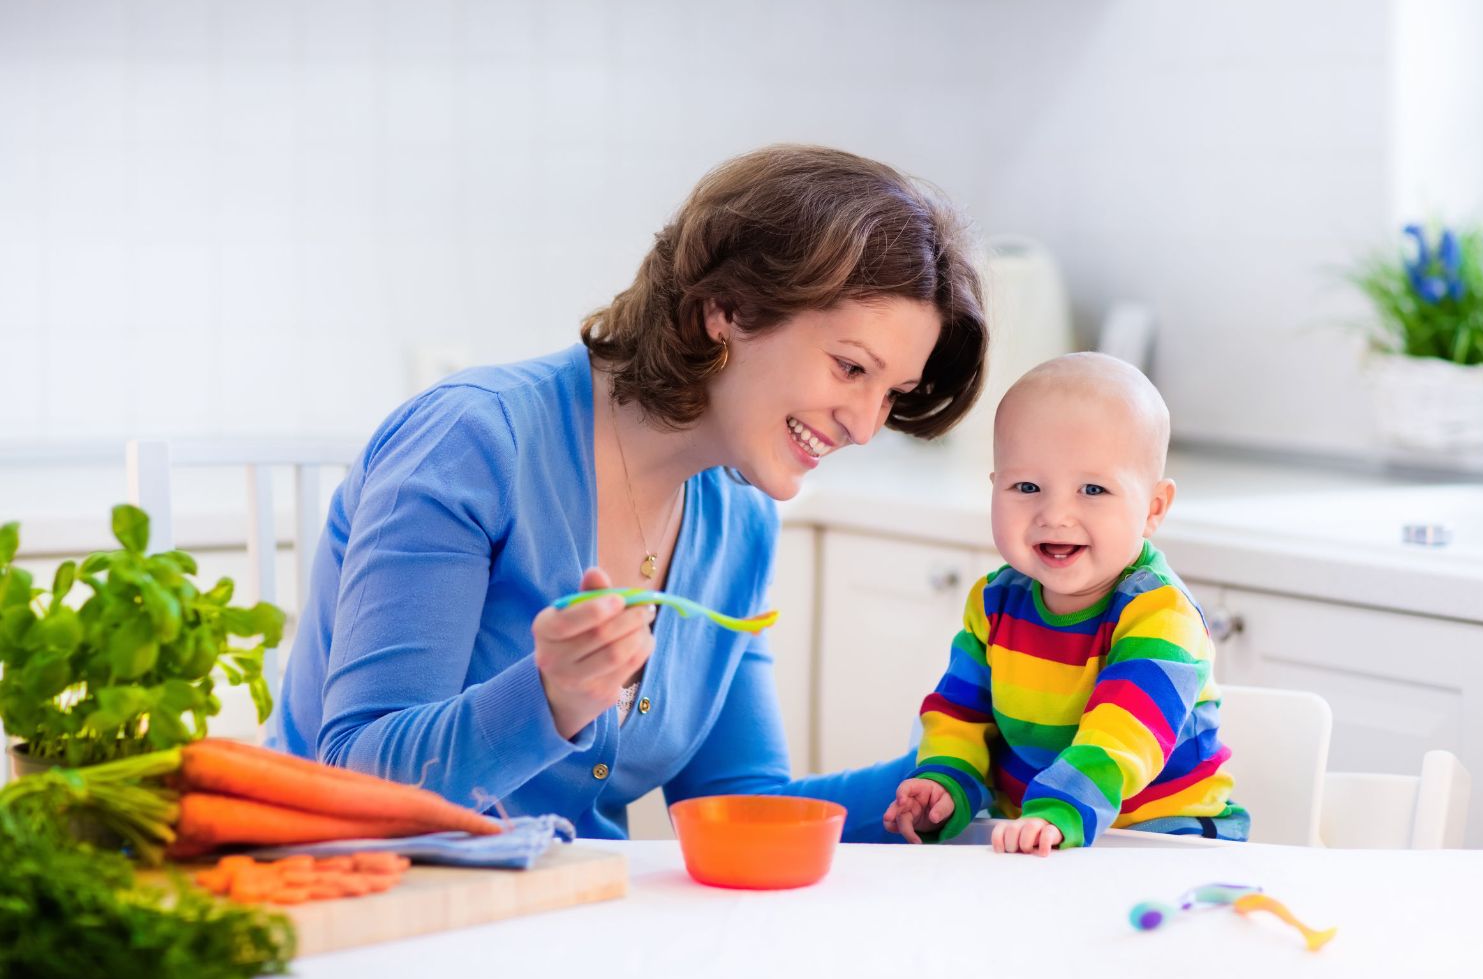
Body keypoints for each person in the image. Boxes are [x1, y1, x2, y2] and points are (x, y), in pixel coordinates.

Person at [270, 145, 987, 843]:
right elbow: (354, 774)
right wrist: (550, 699)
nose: (865, 427)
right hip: (349, 900)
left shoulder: (740, 515)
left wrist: (975, 768)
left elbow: (740, 805)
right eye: (849, 367)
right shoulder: (474, 442)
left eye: (891, 393)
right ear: (728, 310)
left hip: (563, 914)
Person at [882, 353, 1249, 854]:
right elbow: (960, 714)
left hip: (1162, 842)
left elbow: (1121, 737)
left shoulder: (1161, 616)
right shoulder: (993, 602)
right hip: (1034, 837)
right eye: (1027, 487)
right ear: (995, 488)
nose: (1055, 515)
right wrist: (946, 783)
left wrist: (1059, 810)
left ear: (1153, 508)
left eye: (1093, 489)